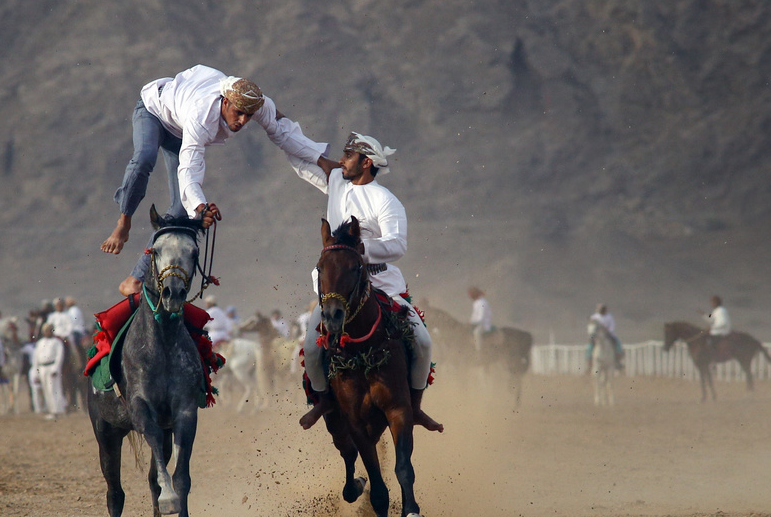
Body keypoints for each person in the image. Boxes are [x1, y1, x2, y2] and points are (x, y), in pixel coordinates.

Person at [100, 64, 334, 297]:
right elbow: (189, 169)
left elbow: (283, 132)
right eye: (238, 113)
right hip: (154, 112)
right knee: (144, 159)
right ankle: (124, 223)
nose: (243, 121)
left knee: (181, 211)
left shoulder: (259, 104)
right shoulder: (201, 115)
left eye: (248, 116)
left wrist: (321, 160)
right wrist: (201, 206)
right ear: (224, 102)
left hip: (179, 132)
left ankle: (135, 278)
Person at [293, 132, 443, 433]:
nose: (341, 160)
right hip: (338, 289)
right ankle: (324, 400)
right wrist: (268, 119)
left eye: (348, 156)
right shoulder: (337, 184)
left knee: (423, 341)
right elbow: (301, 159)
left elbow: (398, 245)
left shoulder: (386, 200)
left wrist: (361, 250)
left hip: (383, 284)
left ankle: (414, 408)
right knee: (311, 346)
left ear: (366, 162)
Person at [30, 323, 66, 420]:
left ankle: (56, 411)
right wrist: (36, 373)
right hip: (42, 368)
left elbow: (59, 357)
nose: (47, 332)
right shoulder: (40, 343)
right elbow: (35, 359)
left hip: (52, 367)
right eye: (46, 330)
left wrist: (56, 369)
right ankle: (50, 410)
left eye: (49, 330)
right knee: (46, 390)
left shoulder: (57, 342)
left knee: (53, 389)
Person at [588, 303, 624, 370]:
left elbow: (612, 325)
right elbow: (591, 326)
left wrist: (609, 331)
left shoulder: (609, 317)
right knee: (590, 345)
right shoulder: (594, 317)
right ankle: (589, 361)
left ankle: (618, 360)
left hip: (608, 334)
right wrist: (593, 333)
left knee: (616, 342)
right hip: (597, 336)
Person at [468, 286, 492, 352]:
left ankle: (479, 351)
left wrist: (472, 322)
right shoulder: (476, 302)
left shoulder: (482, 303)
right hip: (477, 323)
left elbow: (481, 317)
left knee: (477, 333)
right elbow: (474, 315)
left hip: (483, 324)